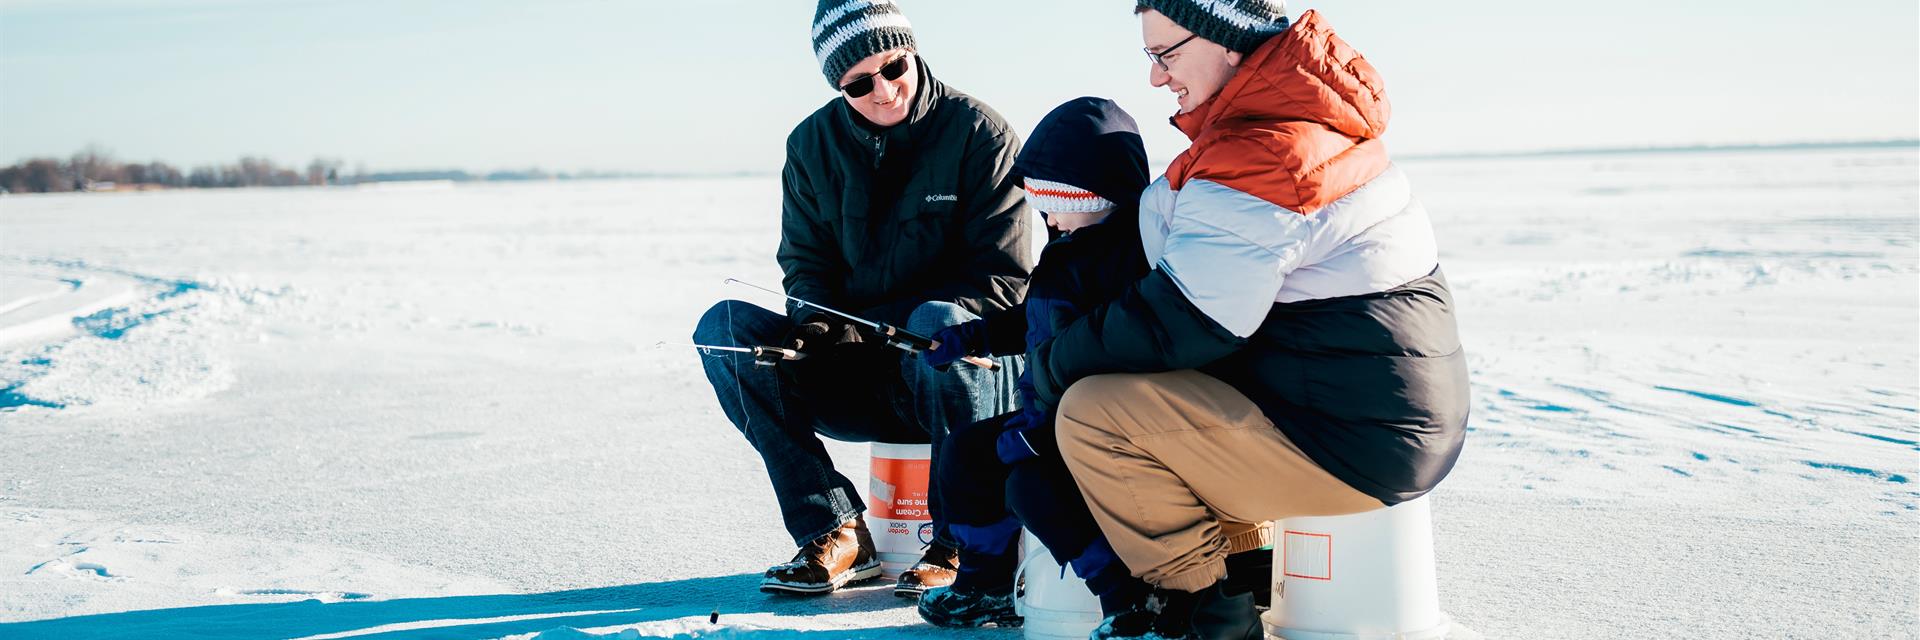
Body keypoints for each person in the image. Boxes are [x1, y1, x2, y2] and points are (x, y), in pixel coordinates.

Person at [1028, 3, 1472, 639]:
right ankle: (1246, 574)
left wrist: (1052, 363)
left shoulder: (1267, 153)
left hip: (1357, 443)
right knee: (1172, 392)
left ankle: (1197, 612)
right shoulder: (1301, 126)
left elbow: (1183, 320)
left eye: (1166, 55)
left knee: (1095, 414)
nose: (1156, 79)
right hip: (1372, 422)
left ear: (1226, 41)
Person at [690, 0, 1033, 597]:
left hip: (957, 371)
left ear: (913, 51)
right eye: (858, 82)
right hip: (853, 372)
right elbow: (805, 263)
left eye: (894, 67)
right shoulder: (811, 145)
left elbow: (1001, 283)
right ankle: (836, 528)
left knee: (938, 321)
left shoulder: (979, 132)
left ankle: (961, 539)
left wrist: (874, 325)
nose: (883, 90)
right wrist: (815, 323)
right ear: (838, 84)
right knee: (724, 330)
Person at [909, 97, 1160, 629]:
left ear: (1098, 195)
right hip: (1042, 411)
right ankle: (985, 583)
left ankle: (1124, 599)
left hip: (1089, 422)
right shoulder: (1066, 249)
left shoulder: (1125, 263)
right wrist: (968, 337)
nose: (1045, 214)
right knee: (965, 456)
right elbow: (1034, 320)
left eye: (1055, 198)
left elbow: (1098, 358)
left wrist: (1036, 429)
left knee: (1031, 486)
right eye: (1039, 198)